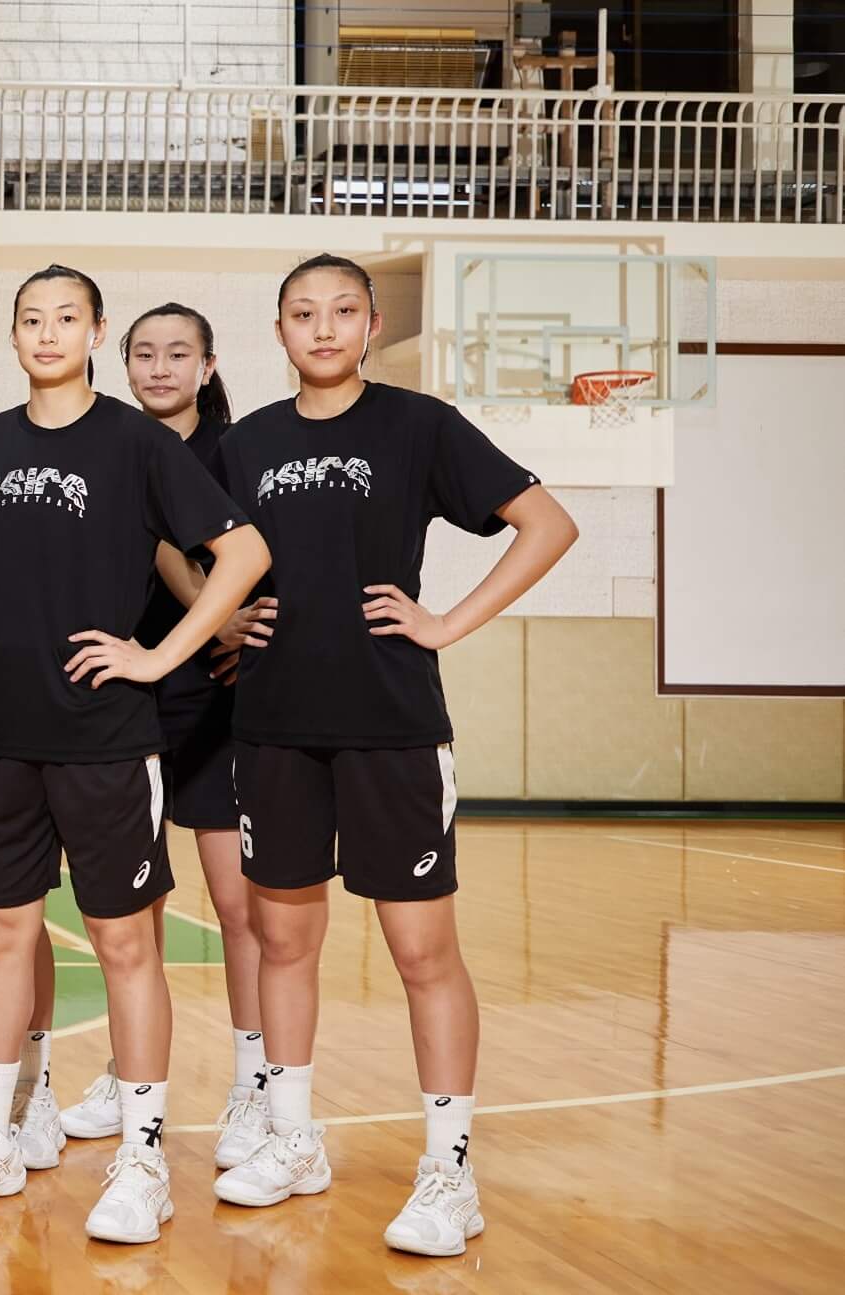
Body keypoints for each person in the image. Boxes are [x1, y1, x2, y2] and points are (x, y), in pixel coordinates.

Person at [211, 254, 576, 1258]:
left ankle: (449, 1173)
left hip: (391, 726)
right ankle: (292, 1140)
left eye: (342, 310)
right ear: (278, 331)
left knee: (421, 952)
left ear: (371, 324)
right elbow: (190, 552)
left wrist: (446, 621)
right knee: (283, 942)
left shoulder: (418, 425)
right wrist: (220, 617)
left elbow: (547, 524)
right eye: (302, 312)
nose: (323, 326)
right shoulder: (245, 443)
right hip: (273, 724)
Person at [0, 266, 268, 1243]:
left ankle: (142, 1157)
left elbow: (243, 552)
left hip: (105, 739)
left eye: (65, 318)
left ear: (94, 330)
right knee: (0, 937)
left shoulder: (134, 441)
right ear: (12, 335)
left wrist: (162, 652)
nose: (47, 333)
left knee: (125, 944)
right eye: (30, 318)